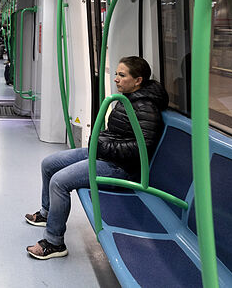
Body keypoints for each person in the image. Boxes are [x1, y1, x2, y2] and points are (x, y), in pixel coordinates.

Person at [24, 56, 168, 259]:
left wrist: (103, 145)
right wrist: (102, 144)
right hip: (104, 154)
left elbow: (140, 149)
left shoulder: (145, 107)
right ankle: (47, 213)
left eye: (122, 75)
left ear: (138, 80)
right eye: (117, 74)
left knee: (59, 182)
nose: (116, 79)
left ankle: (54, 242)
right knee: (49, 164)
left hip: (121, 168)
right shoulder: (127, 98)